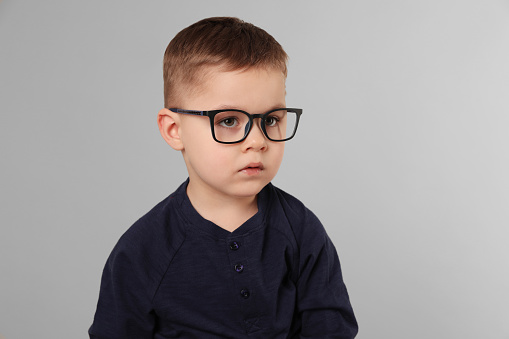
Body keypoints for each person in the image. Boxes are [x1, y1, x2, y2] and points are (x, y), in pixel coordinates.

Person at [89, 17, 358, 338]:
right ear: (174, 130)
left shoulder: (301, 230)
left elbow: (331, 329)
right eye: (229, 120)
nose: (257, 140)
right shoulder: (142, 251)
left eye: (271, 119)